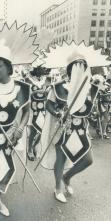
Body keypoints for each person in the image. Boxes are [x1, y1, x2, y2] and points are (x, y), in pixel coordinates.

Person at [42, 58, 100, 203]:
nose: (81, 70)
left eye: (83, 67)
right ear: (70, 70)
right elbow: (49, 104)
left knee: (88, 160)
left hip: (80, 129)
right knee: (61, 159)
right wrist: (57, 113)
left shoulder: (89, 87)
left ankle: (67, 177)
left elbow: (89, 109)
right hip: (64, 128)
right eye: (77, 67)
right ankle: (57, 188)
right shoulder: (59, 87)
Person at [0, 56, 30, 217]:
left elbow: (26, 111)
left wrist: (21, 128)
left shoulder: (22, 88)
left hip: (11, 135)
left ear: (9, 67)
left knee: (6, 166)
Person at [25, 66, 51, 161]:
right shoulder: (28, 80)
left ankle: (34, 145)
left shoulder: (47, 80)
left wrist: (46, 92)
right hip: (33, 109)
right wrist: (35, 94)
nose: (43, 70)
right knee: (33, 131)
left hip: (44, 109)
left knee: (43, 130)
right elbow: (26, 95)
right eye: (41, 68)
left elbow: (50, 93)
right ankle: (30, 150)